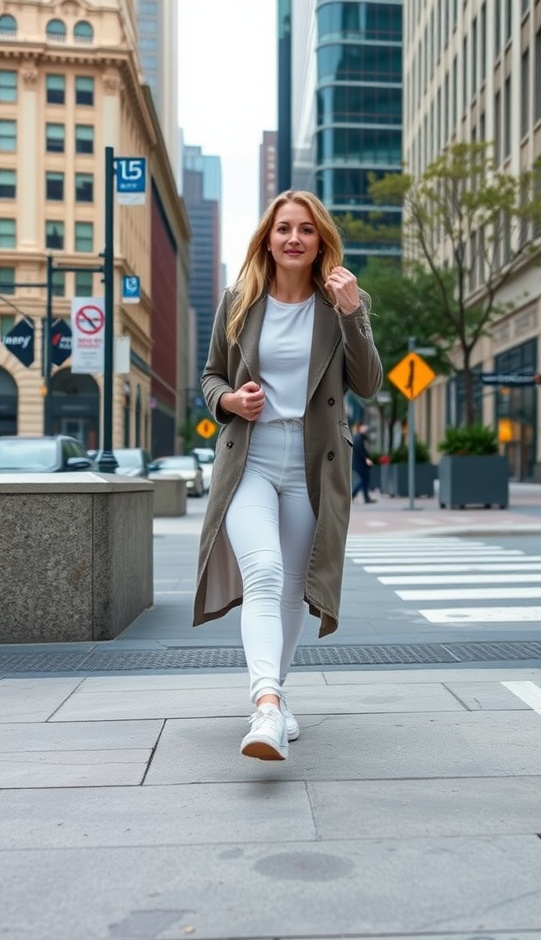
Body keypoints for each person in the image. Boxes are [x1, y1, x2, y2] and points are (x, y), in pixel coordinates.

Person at [193, 190, 383, 761]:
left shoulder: (342, 303)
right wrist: (230, 401)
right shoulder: (239, 301)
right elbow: (208, 379)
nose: (294, 238)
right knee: (266, 571)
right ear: (268, 239)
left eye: (305, 229)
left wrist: (354, 313)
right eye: (283, 229)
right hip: (249, 459)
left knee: (294, 590)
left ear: (321, 239)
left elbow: (369, 383)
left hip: (312, 463)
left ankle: (274, 696)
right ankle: (268, 704)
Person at [352, 423, 377, 503]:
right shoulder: (358, 437)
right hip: (360, 463)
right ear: (360, 427)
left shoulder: (360, 437)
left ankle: (365, 497)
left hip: (360, 463)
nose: (366, 428)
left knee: (364, 480)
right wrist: (366, 459)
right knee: (364, 480)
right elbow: (360, 451)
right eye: (364, 427)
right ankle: (354, 494)